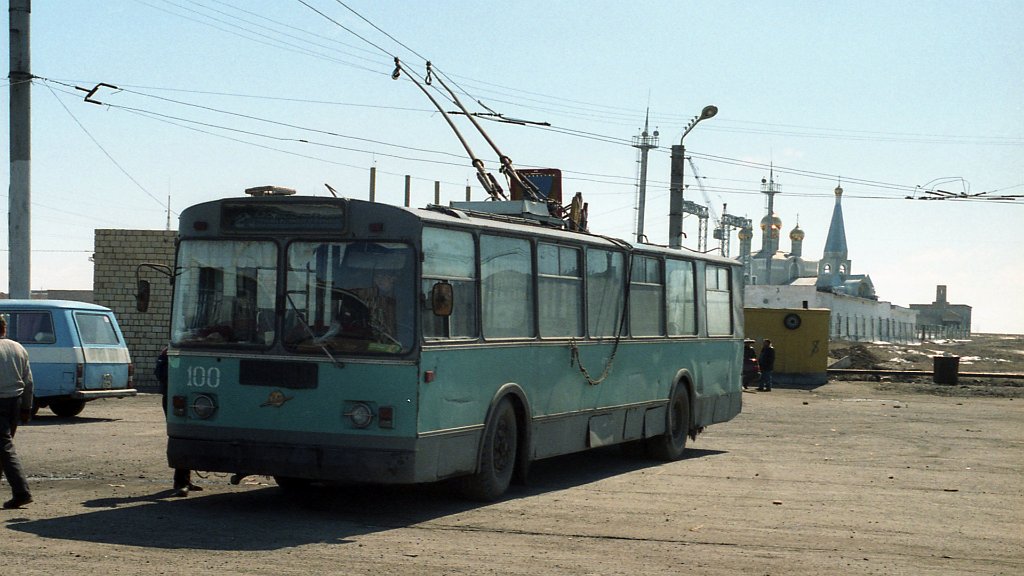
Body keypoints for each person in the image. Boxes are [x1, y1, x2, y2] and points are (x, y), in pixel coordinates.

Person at [155, 347, 202, 497]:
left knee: (190, 437)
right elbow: (161, 374)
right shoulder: (169, 352)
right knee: (182, 436)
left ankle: (185, 481)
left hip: (189, 397)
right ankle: (181, 483)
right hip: (174, 398)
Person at [0, 315, 34, 509]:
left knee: (5, 448)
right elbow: (28, 381)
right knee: (3, 447)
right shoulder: (18, 348)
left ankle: (21, 492)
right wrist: (26, 408)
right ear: (4, 328)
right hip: (15, 402)